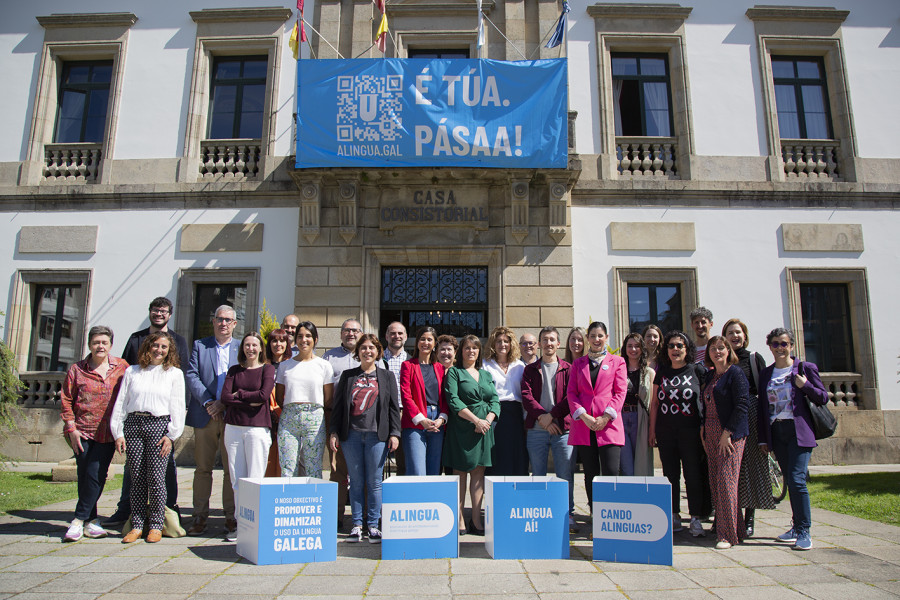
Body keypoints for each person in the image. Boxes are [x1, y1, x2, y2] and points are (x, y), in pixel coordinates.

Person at [107, 296, 189, 529]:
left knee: (163, 470)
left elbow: (180, 375)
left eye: (163, 311)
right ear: (150, 312)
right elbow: (123, 369)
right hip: (135, 416)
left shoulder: (179, 341)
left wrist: (179, 414)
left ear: (170, 314)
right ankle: (128, 511)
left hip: (161, 417)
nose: (159, 314)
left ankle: (167, 511)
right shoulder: (136, 339)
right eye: (155, 310)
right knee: (133, 470)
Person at [758, 327, 828, 551]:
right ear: (769, 346)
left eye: (784, 343)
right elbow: (763, 409)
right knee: (789, 478)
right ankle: (796, 526)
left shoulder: (805, 368)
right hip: (777, 432)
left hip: (799, 431)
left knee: (797, 479)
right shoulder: (767, 374)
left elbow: (823, 397)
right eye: (776, 344)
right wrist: (763, 439)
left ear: (792, 346)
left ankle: (804, 530)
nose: (780, 348)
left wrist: (805, 385)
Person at [329, 334, 401, 543]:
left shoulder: (386, 376)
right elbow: (338, 407)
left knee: (375, 482)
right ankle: (357, 524)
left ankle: (374, 525)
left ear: (378, 352)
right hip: (350, 435)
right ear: (357, 351)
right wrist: (334, 431)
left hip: (376, 436)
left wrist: (395, 433)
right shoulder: (348, 375)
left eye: (372, 348)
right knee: (357, 481)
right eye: (363, 348)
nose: (367, 351)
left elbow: (393, 408)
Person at [60, 326, 128, 542]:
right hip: (81, 431)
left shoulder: (122, 367)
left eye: (104, 342)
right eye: (96, 342)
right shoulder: (77, 369)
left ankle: (78, 520)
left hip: (108, 433)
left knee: (96, 474)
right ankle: (91, 521)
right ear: (89, 344)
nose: (100, 346)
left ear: (110, 345)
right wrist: (71, 428)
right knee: (85, 475)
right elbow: (66, 399)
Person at [185, 305, 241, 536]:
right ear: (214, 321)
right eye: (220, 319)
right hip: (205, 415)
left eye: (228, 320)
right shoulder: (201, 345)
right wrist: (209, 403)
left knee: (231, 469)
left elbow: (245, 378)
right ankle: (199, 516)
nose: (223, 323)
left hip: (232, 416)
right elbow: (191, 375)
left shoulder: (241, 347)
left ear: (235, 324)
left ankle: (231, 517)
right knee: (203, 469)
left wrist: (224, 404)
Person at [649, 331, 708, 537]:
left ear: (687, 348)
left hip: (690, 432)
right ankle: (674, 515)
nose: (675, 349)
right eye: (672, 346)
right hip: (666, 432)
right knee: (670, 475)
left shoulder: (696, 371)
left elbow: (705, 402)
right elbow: (655, 404)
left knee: (692, 475)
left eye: (680, 346)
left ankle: (695, 518)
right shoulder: (662, 372)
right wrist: (652, 431)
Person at [443, 335, 500, 535]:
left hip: (484, 430)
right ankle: (459, 518)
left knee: (478, 475)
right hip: (462, 429)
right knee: (460, 475)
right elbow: (454, 400)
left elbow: (495, 399)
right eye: (467, 348)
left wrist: (488, 420)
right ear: (462, 351)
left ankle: (476, 519)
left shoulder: (485, 374)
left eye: (475, 348)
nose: (471, 352)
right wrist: (476, 420)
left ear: (479, 352)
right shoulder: (454, 373)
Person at [221, 332, 275, 541]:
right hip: (233, 428)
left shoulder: (267, 369)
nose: (250, 349)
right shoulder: (235, 370)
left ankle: (257, 526)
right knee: (237, 479)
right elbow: (225, 397)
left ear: (261, 348)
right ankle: (241, 525)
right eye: (247, 345)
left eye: (254, 345)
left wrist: (239, 394)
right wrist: (246, 399)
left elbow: (263, 396)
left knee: (255, 477)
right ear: (242, 348)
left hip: (257, 429)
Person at [722, 318, 774, 537]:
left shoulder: (754, 359)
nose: (735, 336)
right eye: (730, 333)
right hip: (726, 416)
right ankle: (729, 517)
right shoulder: (722, 360)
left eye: (738, 332)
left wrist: (765, 432)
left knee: (750, 467)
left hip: (750, 415)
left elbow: (765, 394)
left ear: (744, 335)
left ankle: (749, 518)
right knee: (730, 469)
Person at [520, 326, 575, 529]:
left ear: (558, 344)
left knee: (565, 474)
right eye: (545, 340)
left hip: (562, 430)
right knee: (538, 473)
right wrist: (543, 417)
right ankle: (538, 511)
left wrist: (551, 417)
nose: (548, 343)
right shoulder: (530, 369)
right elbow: (526, 397)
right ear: (539, 344)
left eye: (552, 340)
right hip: (536, 429)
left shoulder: (568, 369)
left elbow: (571, 398)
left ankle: (566, 513)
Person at [567, 321, 626, 508]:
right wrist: (584, 416)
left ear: (606, 338)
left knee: (610, 471)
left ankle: (611, 513)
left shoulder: (618, 362)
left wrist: (605, 417)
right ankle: (595, 513)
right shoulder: (578, 364)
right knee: (590, 474)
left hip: (608, 426)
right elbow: (571, 393)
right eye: (592, 336)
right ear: (588, 339)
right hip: (585, 426)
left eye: (600, 336)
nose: (596, 339)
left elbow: (620, 392)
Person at [700, 336, 750, 550]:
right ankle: (734, 528)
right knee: (716, 481)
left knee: (726, 482)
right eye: (713, 349)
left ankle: (726, 535)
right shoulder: (711, 375)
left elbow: (742, 405)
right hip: (709, 432)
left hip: (729, 434)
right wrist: (703, 429)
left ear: (728, 350)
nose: (717, 352)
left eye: (721, 348)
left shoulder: (735, 373)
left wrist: (727, 433)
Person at [276, 321, 334, 478]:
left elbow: (328, 398)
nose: (304, 340)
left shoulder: (324, 365)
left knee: (313, 467)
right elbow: (279, 395)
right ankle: (288, 501)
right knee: (288, 467)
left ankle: (313, 501)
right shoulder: (285, 366)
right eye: (300, 336)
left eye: (308, 336)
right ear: (295, 339)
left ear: (315, 339)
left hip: (314, 417)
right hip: (289, 418)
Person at [323, 318, 362, 526]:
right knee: (338, 470)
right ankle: (336, 517)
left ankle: (362, 517)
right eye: (347, 330)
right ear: (341, 334)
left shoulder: (367, 355)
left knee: (360, 471)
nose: (351, 334)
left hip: (362, 420)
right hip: (336, 418)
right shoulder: (329, 356)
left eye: (355, 330)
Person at [400, 326, 447, 476]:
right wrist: (421, 419)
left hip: (437, 421)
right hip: (415, 422)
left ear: (434, 344)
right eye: (422, 339)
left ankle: (431, 500)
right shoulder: (408, 365)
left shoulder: (440, 368)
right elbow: (406, 395)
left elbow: (445, 397)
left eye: (429, 339)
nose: (425, 342)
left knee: (434, 471)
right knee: (417, 471)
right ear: (417, 342)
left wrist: (442, 418)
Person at [483, 326, 528, 476]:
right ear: (493, 344)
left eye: (506, 341)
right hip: (494, 414)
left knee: (515, 454)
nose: (502, 344)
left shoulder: (520, 365)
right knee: (497, 453)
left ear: (511, 344)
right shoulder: (485, 365)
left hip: (515, 415)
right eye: (498, 341)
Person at [620, 332, 654, 477]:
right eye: (630, 346)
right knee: (626, 466)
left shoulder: (649, 372)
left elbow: (653, 403)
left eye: (637, 346)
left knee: (641, 464)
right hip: (621, 418)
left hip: (641, 419)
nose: (633, 349)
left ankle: (641, 497)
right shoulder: (618, 370)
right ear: (625, 349)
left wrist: (652, 429)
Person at [264, 328, 293, 477]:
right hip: (265, 417)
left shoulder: (291, 365)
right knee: (267, 459)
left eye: (282, 341)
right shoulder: (263, 364)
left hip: (286, 417)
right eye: (274, 340)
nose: (278, 344)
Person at [382, 321, 409, 475]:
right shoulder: (378, 359)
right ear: (386, 336)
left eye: (400, 333)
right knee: (378, 457)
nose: (396, 336)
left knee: (403, 458)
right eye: (393, 333)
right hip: (382, 412)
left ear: (405, 336)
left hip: (404, 413)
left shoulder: (411, 361)